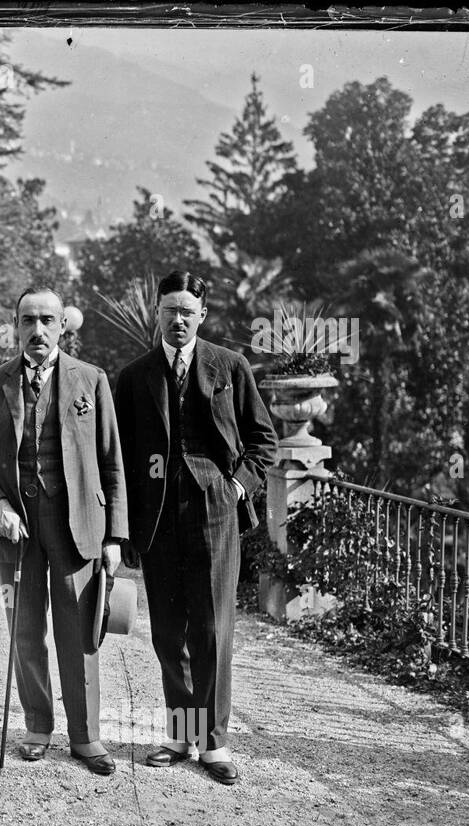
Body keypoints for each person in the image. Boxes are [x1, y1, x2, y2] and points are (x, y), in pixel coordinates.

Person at [114, 270, 277, 785]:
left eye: (188, 311)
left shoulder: (230, 367)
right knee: (168, 630)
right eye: (170, 311)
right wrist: (121, 525)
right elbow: (115, 454)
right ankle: (180, 735)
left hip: (214, 515)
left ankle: (215, 742)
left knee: (211, 629)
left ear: (202, 315)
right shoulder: (135, 376)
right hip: (159, 519)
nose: (178, 319)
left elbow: (262, 441)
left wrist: (234, 487)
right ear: (157, 314)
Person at [0, 288, 129, 773]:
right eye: (28, 320)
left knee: (81, 633)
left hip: (77, 527)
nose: (38, 330)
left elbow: (112, 462)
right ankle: (37, 725)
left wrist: (115, 535)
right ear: (15, 326)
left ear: (63, 327)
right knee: (25, 630)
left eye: (47, 320)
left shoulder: (90, 381)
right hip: (16, 530)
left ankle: (86, 736)